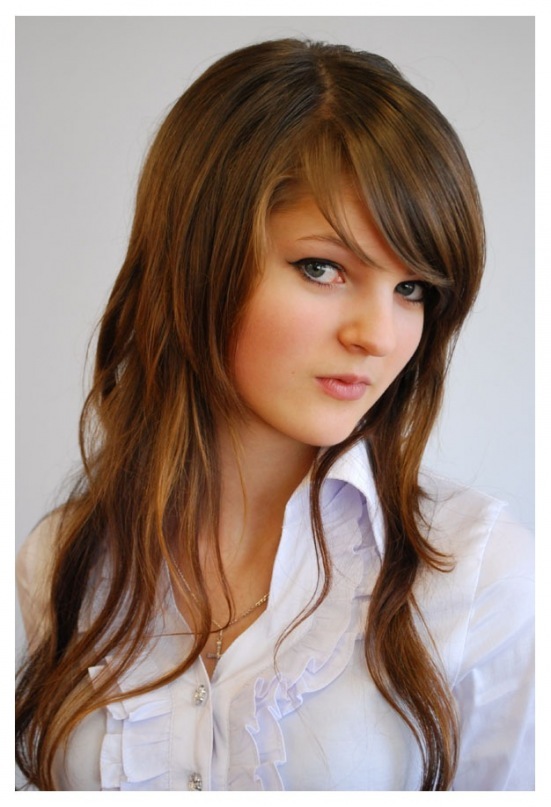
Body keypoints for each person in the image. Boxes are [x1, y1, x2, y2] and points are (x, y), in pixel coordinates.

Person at [15, 38, 534, 791]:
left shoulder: (480, 577)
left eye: (412, 289)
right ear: (198, 257)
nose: (378, 335)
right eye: (322, 268)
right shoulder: (62, 560)